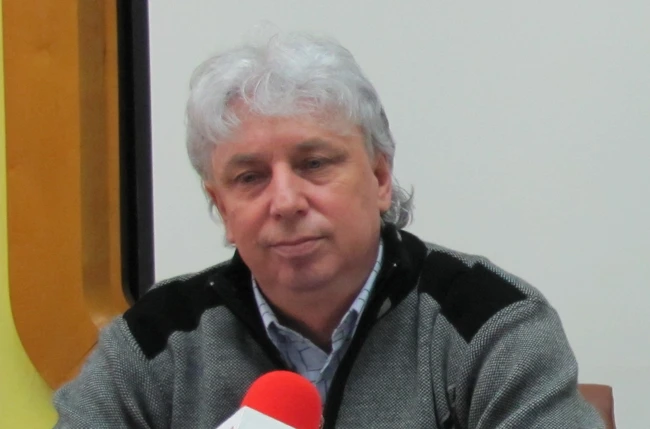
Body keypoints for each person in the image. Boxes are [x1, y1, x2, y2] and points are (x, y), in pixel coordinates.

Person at [53, 33, 605, 428]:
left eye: (314, 164)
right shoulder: (155, 342)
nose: (286, 202)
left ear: (380, 177)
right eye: (250, 178)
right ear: (220, 207)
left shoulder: (491, 324)